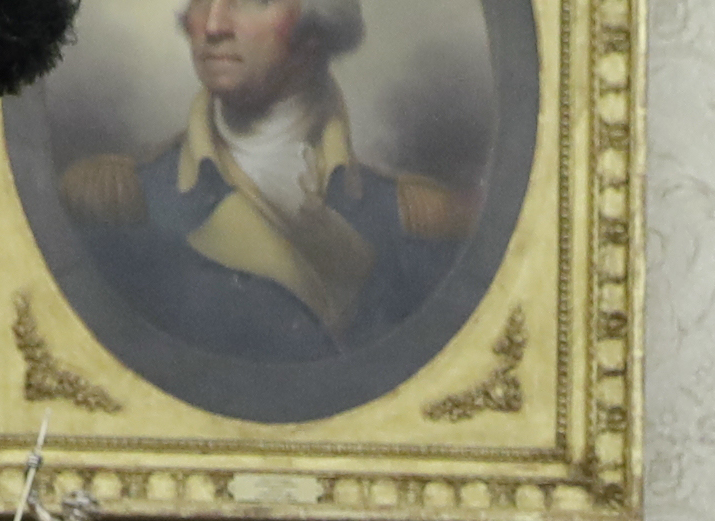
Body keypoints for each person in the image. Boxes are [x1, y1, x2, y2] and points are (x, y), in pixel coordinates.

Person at [51, 0, 469, 368]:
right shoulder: (116, 203)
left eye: (254, 0)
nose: (214, 25)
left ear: (315, 31)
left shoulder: (418, 220)